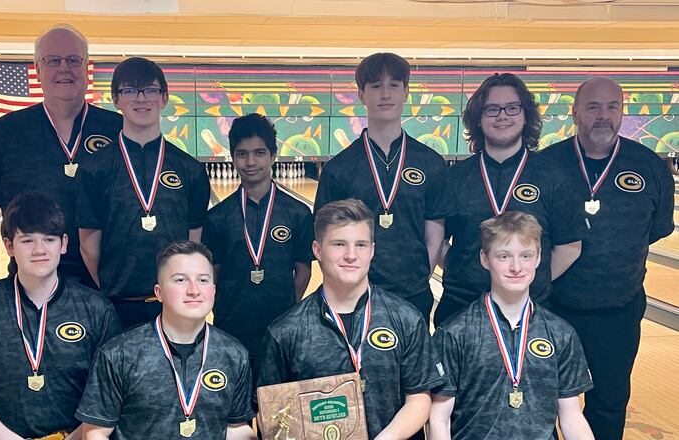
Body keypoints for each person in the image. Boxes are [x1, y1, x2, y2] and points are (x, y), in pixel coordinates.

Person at [540, 76, 675, 440]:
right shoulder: (547, 165)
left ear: (622, 112)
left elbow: (659, 229)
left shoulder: (650, 167)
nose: (604, 115)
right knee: (543, 403)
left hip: (618, 310)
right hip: (553, 309)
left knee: (609, 404)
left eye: (612, 106)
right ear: (575, 113)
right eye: (593, 107)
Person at [257, 199, 445, 439]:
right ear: (317, 250)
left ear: (372, 250)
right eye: (339, 244)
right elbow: (274, 417)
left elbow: (419, 397)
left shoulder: (406, 319)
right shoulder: (285, 332)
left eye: (361, 245)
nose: (351, 255)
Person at [0, 192, 122, 440]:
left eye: (49, 240)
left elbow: (108, 398)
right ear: (9, 246)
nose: (39, 250)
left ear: (63, 244)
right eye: (27, 241)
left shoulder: (96, 308)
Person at [0, 25, 122, 289]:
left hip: (107, 288)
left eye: (74, 60)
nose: (64, 68)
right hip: (27, 286)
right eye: (53, 61)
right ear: (37, 70)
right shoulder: (4, 132)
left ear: (86, 69)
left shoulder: (118, 130)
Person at [434, 73, 585, 326]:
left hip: (530, 310)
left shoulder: (554, 177)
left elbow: (570, 246)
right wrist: (462, 269)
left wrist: (528, 280)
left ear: (526, 115)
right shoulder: (455, 177)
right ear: (478, 119)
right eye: (491, 109)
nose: (502, 116)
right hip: (461, 307)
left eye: (512, 108)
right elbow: (436, 241)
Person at [430, 211, 594, 440]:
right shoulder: (455, 333)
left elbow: (571, 416)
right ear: (485, 259)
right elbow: (439, 417)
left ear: (538, 258)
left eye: (526, 256)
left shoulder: (561, 333)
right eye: (504, 256)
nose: (516, 267)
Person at [314, 53, 452, 320]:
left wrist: (419, 278)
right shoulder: (339, 169)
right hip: (355, 297)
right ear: (362, 95)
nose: (385, 94)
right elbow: (325, 238)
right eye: (376, 86)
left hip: (414, 296)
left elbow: (435, 234)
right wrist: (346, 285)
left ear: (406, 92)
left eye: (394, 85)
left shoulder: (431, 163)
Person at [77, 57, 210, 329]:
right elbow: (88, 246)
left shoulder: (190, 169)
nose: (141, 99)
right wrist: (115, 289)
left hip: (177, 306)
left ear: (164, 98)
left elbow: (193, 244)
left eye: (150, 90)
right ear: (116, 99)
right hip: (116, 308)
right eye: (129, 90)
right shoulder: (95, 168)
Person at [76, 241, 257, 440]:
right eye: (180, 280)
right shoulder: (118, 354)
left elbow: (235, 427)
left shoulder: (234, 353)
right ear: (158, 292)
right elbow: (95, 433)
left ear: (213, 290)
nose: (194, 290)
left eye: (203, 280)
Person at [202, 113, 313, 365]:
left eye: (260, 153)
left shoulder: (298, 213)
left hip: (281, 329)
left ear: (273, 156)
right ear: (232, 157)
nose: (251, 161)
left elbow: (303, 270)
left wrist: (286, 312)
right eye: (242, 154)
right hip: (231, 327)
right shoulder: (217, 217)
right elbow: (214, 274)